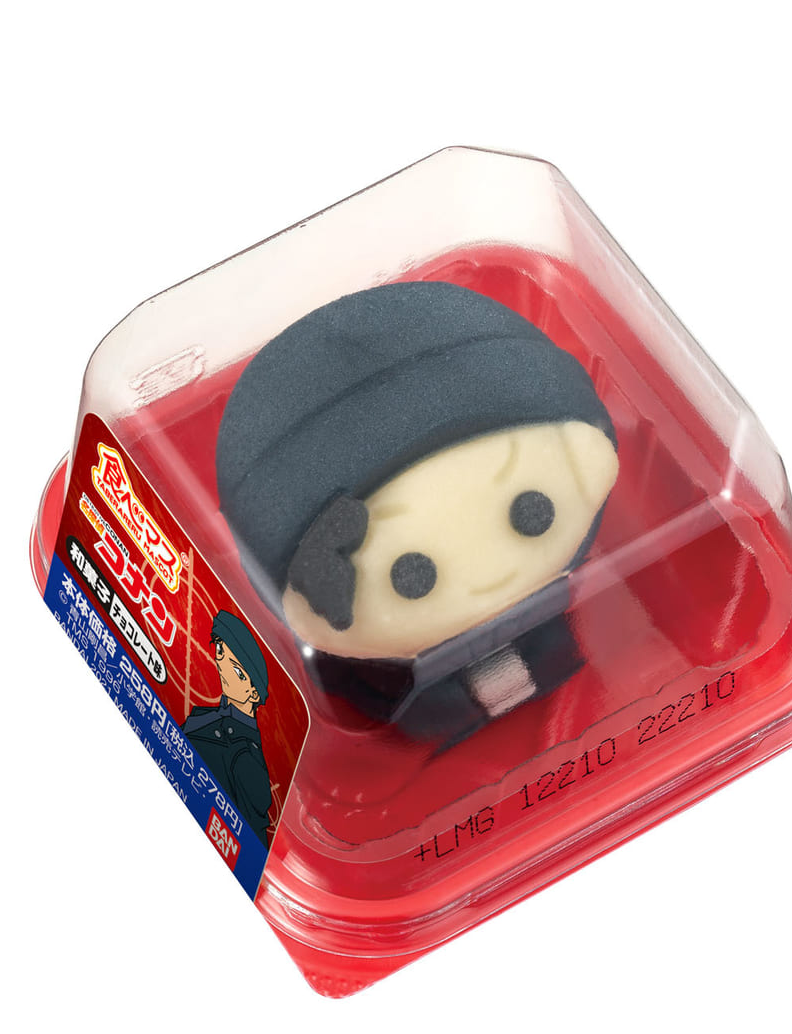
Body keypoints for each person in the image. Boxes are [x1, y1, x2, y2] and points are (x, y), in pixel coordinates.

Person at [216, 281, 619, 743]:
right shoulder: (361, 661)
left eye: (532, 513)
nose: (482, 576)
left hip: (564, 661)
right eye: (411, 575)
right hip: (409, 708)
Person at [183, 610, 273, 847]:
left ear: (254, 693)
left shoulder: (244, 756)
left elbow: (253, 845)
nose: (221, 666)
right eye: (220, 652)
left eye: (237, 671)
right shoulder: (206, 718)